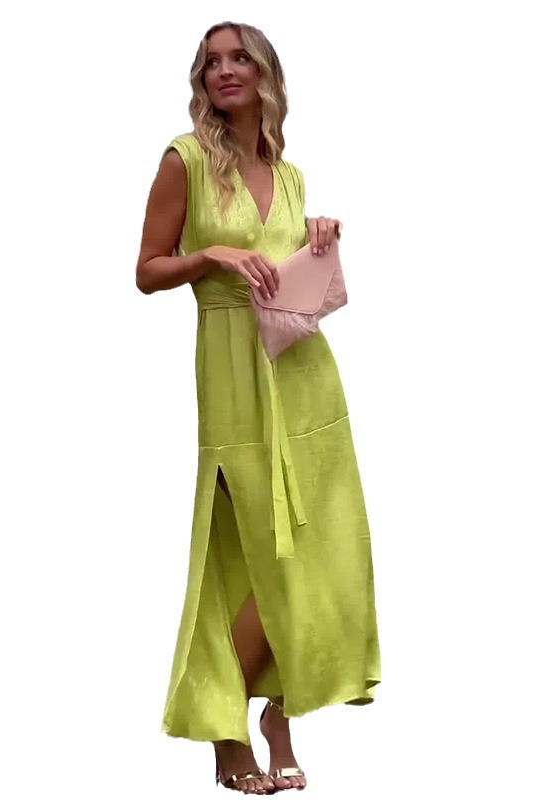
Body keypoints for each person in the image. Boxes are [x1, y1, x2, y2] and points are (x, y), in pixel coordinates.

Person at [135, 20, 381, 795]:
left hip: (304, 375)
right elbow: (146, 270)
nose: (225, 70)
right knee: (241, 549)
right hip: (232, 373)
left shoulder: (289, 173)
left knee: (317, 549)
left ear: (266, 74)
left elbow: (293, 280)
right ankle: (227, 728)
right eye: (212, 62)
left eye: (240, 57)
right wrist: (210, 255)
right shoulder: (184, 160)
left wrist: (317, 238)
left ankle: (278, 712)